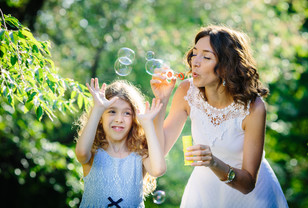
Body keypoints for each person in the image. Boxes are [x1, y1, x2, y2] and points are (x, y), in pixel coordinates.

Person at [151, 25, 289, 207]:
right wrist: (161, 100)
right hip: (205, 196)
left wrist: (213, 162)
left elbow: (248, 184)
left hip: (250, 199)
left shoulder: (253, 107)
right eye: (194, 53)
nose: (195, 62)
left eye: (206, 57)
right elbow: (157, 152)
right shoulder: (186, 91)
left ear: (226, 66)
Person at [75, 78, 166, 207]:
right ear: (101, 117)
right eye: (112, 111)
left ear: (134, 119)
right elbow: (81, 152)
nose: (119, 119)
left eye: (127, 113)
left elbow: (158, 170)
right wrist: (97, 108)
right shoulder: (93, 151)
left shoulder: (139, 154)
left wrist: (147, 124)